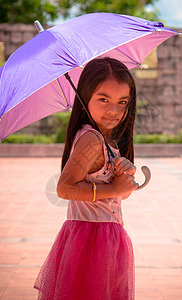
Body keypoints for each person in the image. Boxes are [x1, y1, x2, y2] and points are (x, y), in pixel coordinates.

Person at [34, 57, 139, 300]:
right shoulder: (91, 140)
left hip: (102, 236)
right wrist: (113, 188)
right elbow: (64, 188)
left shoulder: (106, 141)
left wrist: (124, 180)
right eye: (103, 99)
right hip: (92, 240)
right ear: (85, 97)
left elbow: (119, 195)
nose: (114, 110)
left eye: (122, 102)